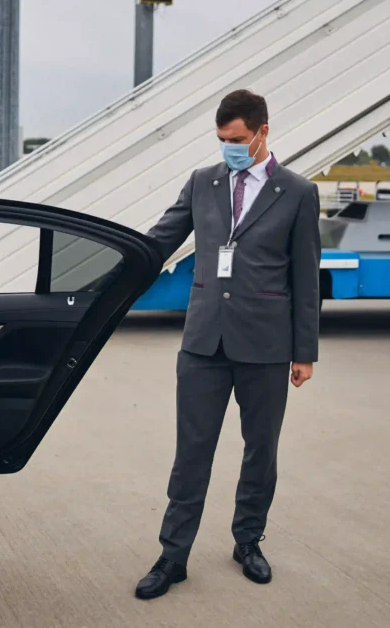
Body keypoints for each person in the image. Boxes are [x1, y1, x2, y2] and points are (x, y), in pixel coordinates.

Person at [134, 90, 321, 600]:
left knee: (260, 450)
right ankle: (173, 556)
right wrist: (115, 262)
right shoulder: (203, 182)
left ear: (263, 131)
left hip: (266, 343)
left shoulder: (298, 192)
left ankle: (248, 541)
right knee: (191, 451)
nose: (228, 149)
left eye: (236, 140)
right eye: (221, 141)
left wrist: (305, 352)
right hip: (203, 341)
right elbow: (161, 239)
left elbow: (306, 279)